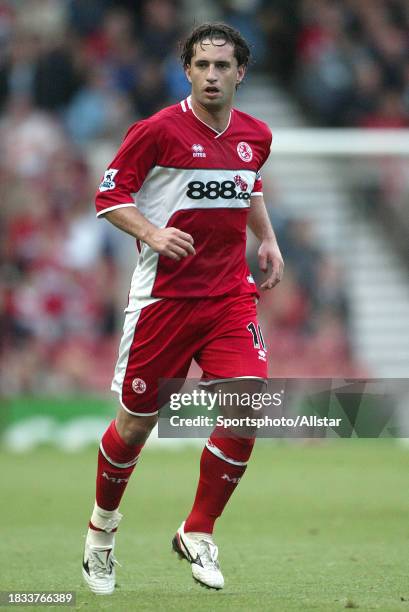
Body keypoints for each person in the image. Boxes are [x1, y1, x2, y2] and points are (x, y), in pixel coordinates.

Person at [82, 22, 284, 595]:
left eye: (223, 66)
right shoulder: (156, 131)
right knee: (134, 426)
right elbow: (109, 196)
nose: (212, 75)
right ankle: (101, 533)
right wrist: (152, 231)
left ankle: (197, 530)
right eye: (202, 65)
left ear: (240, 73)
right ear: (187, 71)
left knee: (247, 403)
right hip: (163, 302)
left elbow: (250, 185)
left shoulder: (256, 134)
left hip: (227, 295)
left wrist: (266, 239)